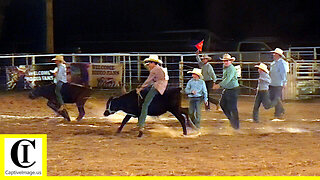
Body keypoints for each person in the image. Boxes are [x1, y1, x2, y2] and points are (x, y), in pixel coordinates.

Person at [136, 55, 168, 134]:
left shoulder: (154, 70)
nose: (149, 64)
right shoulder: (159, 68)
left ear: (153, 63)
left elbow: (148, 81)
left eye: (150, 62)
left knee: (145, 105)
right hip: (161, 85)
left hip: (157, 86)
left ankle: (141, 124)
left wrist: (141, 88)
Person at [213, 54, 240, 129]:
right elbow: (226, 79)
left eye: (227, 60)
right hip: (228, 89)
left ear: (230, 61)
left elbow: (228, 79)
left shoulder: (231, 69)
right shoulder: (226, 68)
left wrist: (219, 85)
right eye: (224, 61)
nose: (226, 62)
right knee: (222, 104)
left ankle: (236, 125)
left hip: (233, 89)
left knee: (233, 107)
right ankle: (232, 120)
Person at [269, 48, 287, 119]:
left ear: (278, 55)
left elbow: (283, 73)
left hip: (278, 83)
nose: (273, 54)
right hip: (272, 83)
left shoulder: (282, 63)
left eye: (275, 53)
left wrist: (284, 82)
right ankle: (281, 109)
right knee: (273, 98)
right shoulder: (273, 63)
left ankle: (278, 112)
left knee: (276, 98)